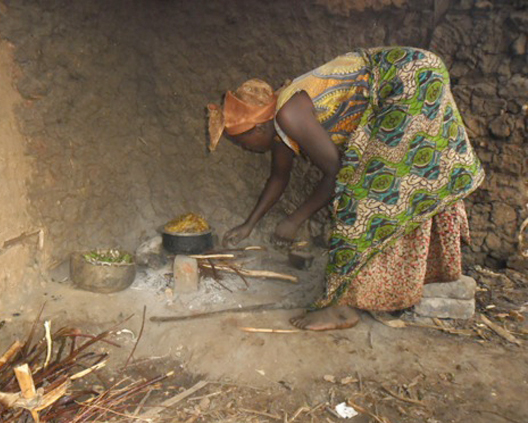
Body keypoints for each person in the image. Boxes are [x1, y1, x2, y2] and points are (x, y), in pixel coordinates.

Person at [207, 47, 485, 331]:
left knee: (360, 198)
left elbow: (336, 173)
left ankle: (340, 310)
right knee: (408, 183)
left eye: (242, 143)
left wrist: (294, 220)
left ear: (257, 129)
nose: (246, 150)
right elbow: (278, 178)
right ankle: (413, 280)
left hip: (408, 79)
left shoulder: (288, 114)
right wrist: (248, 225)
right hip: (414, 72)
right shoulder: (281, 127)